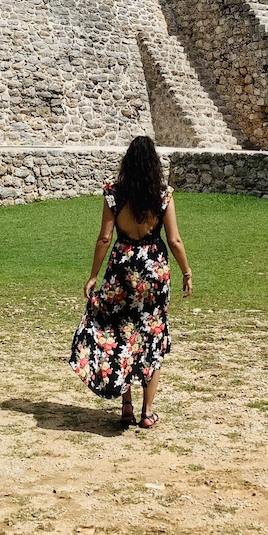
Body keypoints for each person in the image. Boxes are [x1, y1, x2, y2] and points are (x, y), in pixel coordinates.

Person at [69, 135, 193, 428]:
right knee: (151, 336)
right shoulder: (162, 195)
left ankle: (126, 405)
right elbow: (174, 240)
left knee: (121, 333)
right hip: (154, 272)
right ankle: (147, 412)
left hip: (122, 268)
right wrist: (186, 271)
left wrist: (93, 275)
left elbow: (104, 238)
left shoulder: (114, 193)